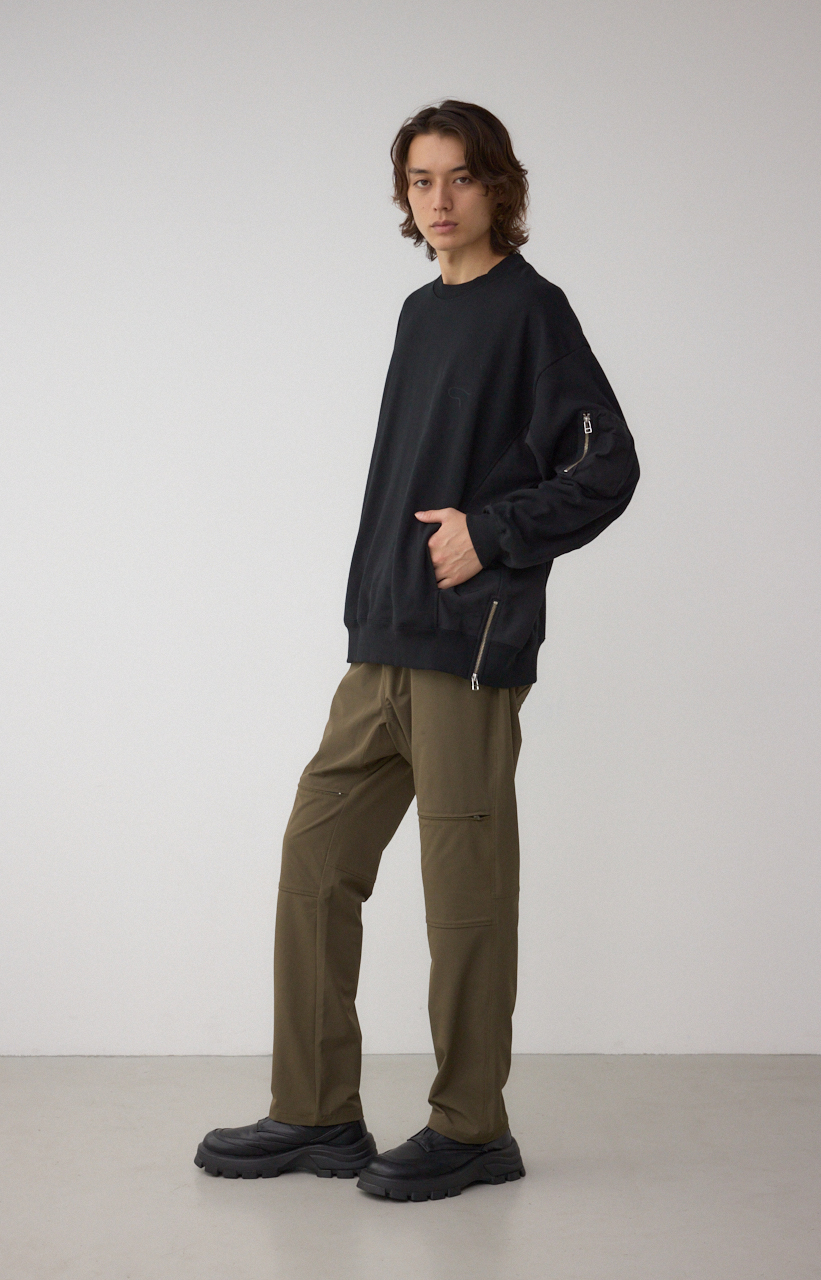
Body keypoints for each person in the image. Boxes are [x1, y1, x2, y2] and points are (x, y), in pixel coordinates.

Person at [195, 99, 640, 1202]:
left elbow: (608, 463)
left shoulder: (532, 311)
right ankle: (315, 1111)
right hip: (384, 643)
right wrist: (370, 604)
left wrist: (492, 533)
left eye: (459, 178)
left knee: (462, 894)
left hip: (468, 647)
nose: (438, 201)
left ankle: (472, 1127)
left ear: (498, 186)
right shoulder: (418, 311)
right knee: (315, 861)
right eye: (419, 180)